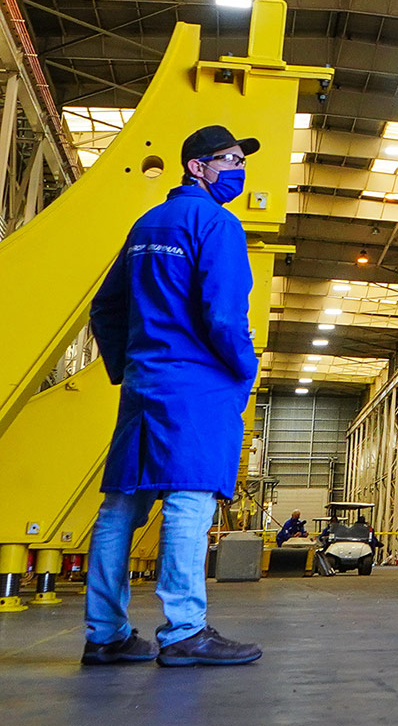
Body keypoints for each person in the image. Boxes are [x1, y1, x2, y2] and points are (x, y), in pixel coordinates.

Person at [82, 124, 265, 668]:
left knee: (122, 505)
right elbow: (225, 315)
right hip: (197, 388)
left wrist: (128, 367)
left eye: (241, 160)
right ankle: (184, 630)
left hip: (144, 384)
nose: (239, 170)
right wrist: (245, 370)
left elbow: (105, 309)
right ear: (196, 167)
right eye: (229, 160)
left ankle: (105, 633)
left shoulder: (145, 225)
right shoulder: (218, 223)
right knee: (189, 501)